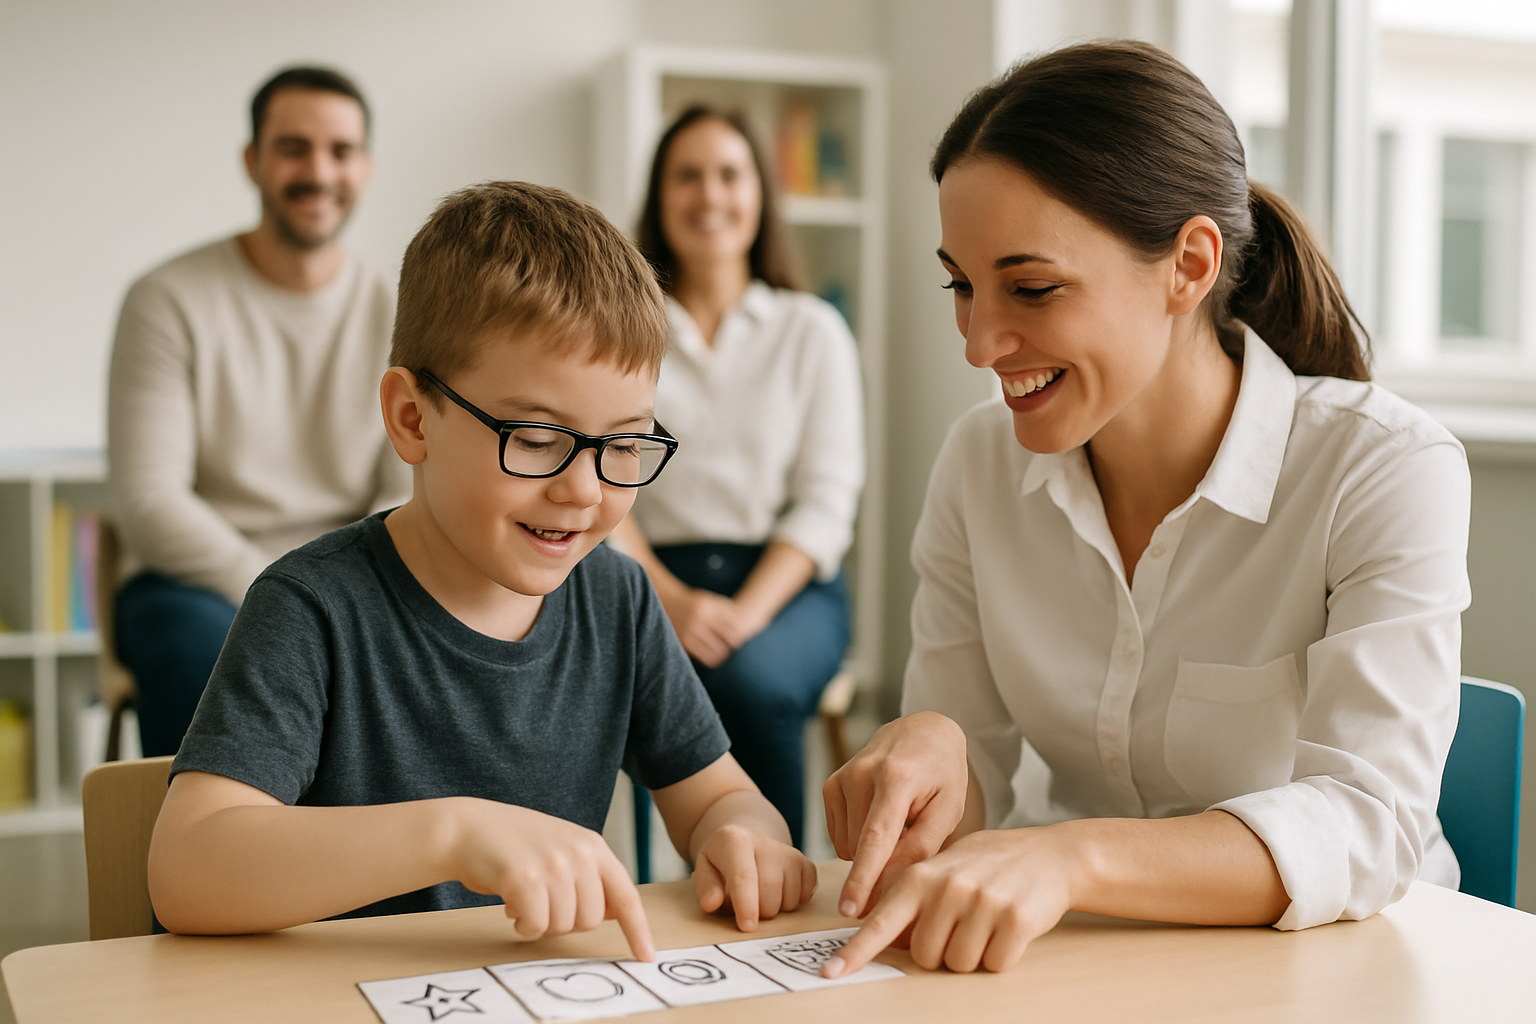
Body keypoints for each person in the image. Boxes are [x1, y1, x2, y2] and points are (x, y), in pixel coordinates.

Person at [819, 41, 1470, 978]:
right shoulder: (977, 462)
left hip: (1345, 970)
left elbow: (1368, 825)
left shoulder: (1382, 469)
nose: (980, 343)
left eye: (1032, 287)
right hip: (1098, 965)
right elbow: (972, 793)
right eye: (961, 286)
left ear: (1189, 266)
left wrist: (1074, 855)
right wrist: (934, 754)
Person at [147, 181, 816, 947]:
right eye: (535, 439)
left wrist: (742, 835)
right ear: (411, 418)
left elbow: (717, 800)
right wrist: (452, 833)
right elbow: (186, 870)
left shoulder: (616, 599)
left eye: (624, 445)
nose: (585, 490)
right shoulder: (311, 606)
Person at [107, 66, 409, 757]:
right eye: (293, 147)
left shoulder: (401, 311)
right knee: (205, 652)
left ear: (365, 167)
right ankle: (194, 862)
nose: (318, 171)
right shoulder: (167, 298)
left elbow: (406, 490)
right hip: (199, 582)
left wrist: (332, 597)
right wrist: (280, 593)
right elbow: (150, 502)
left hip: (350, 577)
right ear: (253, 161)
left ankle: (381, 862)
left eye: (340, 151)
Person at [609, 106, 865, 848]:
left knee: (749, 679)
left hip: (787, 585)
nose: (709, 195)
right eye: (687, 176)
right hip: (649, 575)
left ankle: (773, 883)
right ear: (659, 195)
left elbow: (826, 502)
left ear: (761, 194)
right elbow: (602, 478)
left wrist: (745, 615)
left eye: (730, 174)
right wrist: (675, 599)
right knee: (654, 678)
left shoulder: (812, 330)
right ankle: (649, 898)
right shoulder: (626, 329)